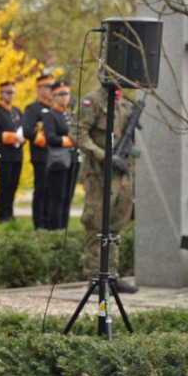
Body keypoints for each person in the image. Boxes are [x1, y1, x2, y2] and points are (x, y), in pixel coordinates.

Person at [74, 85, 138, 292]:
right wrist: (103, 155)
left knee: (115, 224)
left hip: (123, 172)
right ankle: (95, 277)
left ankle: (112, 275)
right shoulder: (92, 101)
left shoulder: (125, 102)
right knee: (97, 223)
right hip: (100, 174)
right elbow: (77, 133)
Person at [40, 81, 77, 230]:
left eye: (66, 94)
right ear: (53, 96)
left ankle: (64, 229)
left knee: (68, 198)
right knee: (58, 198)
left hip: (73, 160)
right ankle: (55, 230)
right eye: (61, 94)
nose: (64, 97)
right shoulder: (51, 115)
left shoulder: (68, 114)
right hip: (59, 161)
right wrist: (70, 141)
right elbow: (50, 138)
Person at [0, 81, 25, 222]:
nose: (11, 95)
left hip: (17, 153)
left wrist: (22, 137)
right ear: (1, 94)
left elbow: (22, 127)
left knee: (14, 184)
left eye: (12, 92)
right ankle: (3, 214)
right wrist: (12, 137)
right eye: (7, 92)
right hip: (4, 153)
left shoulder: (16, 111)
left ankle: (10, 212)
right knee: (5, 184)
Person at [23, 74, 55, 229]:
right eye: (48, 87)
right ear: (39, 89)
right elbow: (27, 130)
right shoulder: (33, 108)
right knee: (41, 189)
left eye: (52, 87)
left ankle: (50, 221)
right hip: (41, 155)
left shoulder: (54, 108)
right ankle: (39, 223)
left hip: (55, 155)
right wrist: (44, 140)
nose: (51, 90)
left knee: (52, 190)